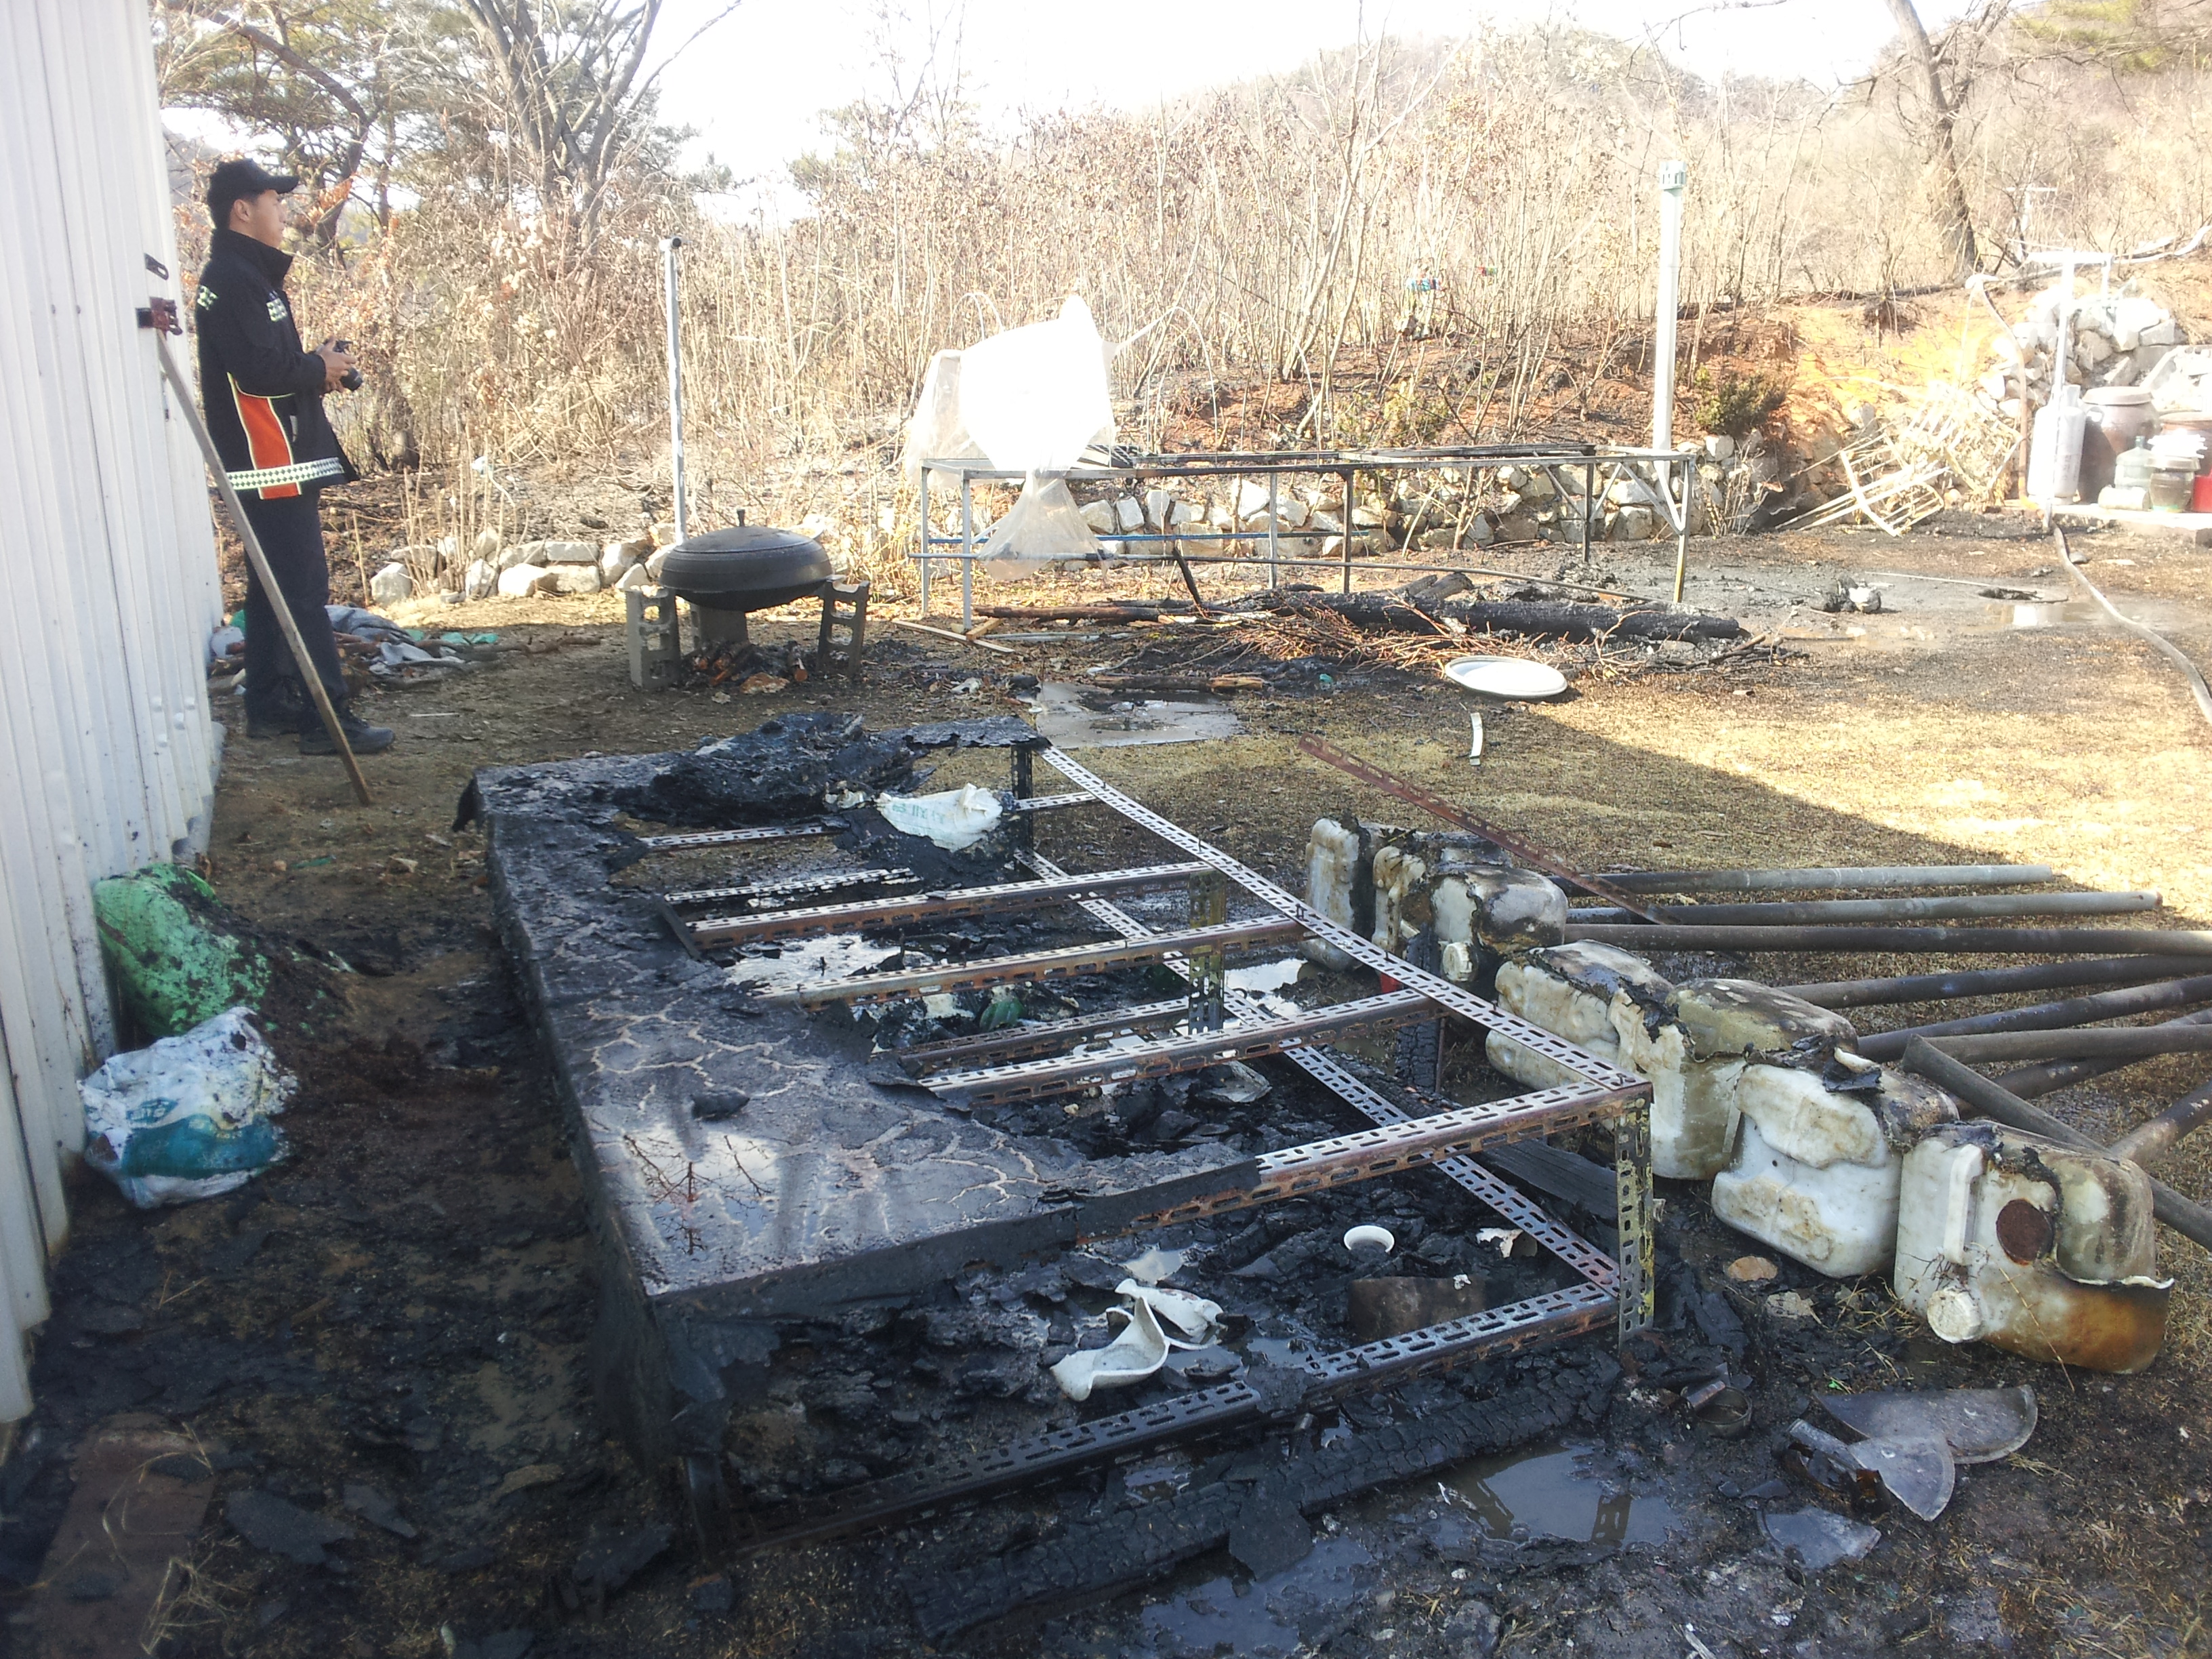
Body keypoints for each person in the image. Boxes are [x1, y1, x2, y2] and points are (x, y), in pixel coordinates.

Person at [194, 157, 392, 756]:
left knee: (271, 584)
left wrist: (317, 369)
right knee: (304, 588)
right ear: (242, 210)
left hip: (276, 456)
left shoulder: (246, 275)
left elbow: (263, 367)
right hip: (268, 460)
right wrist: (315, 367)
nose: (283, 211)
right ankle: (326, 720)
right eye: (274, 200)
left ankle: (270, 703)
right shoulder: (234, 279)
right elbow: (256, 371)